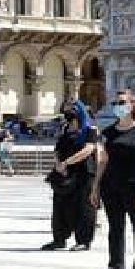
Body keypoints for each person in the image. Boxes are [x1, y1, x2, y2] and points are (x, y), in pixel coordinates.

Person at [90, 88, 135, 269]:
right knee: (115, 227)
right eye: (115, 103)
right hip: (111, 186)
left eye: (121, 102)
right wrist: (95, 187)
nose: (117, 107)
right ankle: (116, 266)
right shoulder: (108, 132)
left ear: (133, 104)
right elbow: (103, 161)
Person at [43, 100, 98, 251]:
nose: (67, 113)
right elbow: (57, 149)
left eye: (70, 110)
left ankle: (83, 240)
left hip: (84, 172)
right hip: (64, 173)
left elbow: (89, 149)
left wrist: (67, 162)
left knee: (84, 207)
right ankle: (59, 239)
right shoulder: (65, 129)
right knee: (60, 206)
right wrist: (59, 165)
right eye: (65, 110)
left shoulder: (90, 129)